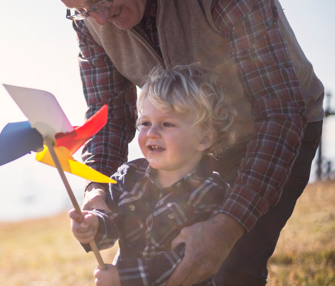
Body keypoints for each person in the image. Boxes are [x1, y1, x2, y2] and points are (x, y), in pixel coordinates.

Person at [61, 0, 324, 285]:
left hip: (269, 130)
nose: (98, 19)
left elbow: (279, 112)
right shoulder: (89, 18)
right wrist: (96, 193)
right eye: (82, 10)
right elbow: (108, 115)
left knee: (232, 265)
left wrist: (225, 228)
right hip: (181, 151)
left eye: (101, 0)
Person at [70, 64, 237, 286]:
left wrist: (124, 278)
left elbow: (186, 259)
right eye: (145, 123)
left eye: (167, 124)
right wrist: (94, 226)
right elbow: (113, 222)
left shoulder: (211, 191)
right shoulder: (129, 176)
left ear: (204, 138)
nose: (152, 133)